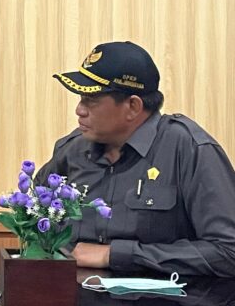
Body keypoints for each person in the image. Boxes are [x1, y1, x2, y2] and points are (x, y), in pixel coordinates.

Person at [37, 41, 235, 277]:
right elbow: (33, 218)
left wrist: (116, 255)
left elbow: (228, 252)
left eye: (92, 100)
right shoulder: (72, 150)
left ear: (132, 106)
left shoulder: (188, 149)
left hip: (164, 298)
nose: (79, 110)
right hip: (73, 295)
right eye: (81, 98)